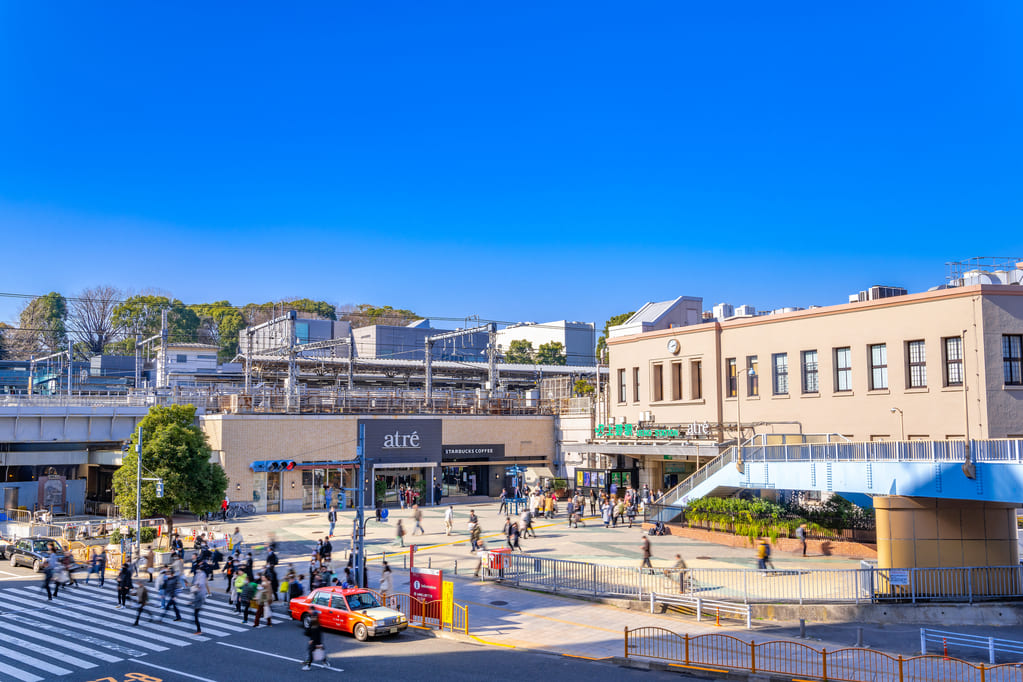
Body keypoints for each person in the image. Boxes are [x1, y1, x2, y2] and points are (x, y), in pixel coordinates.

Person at [191, 565, 207, 635]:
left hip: (198, 603)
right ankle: (198, 629)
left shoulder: (202, 575)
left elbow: (201, 583)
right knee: (195, 615)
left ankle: (199, 630)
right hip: (197, 602)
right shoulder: (199, 574)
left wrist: (192, 602)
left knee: (196, 616)